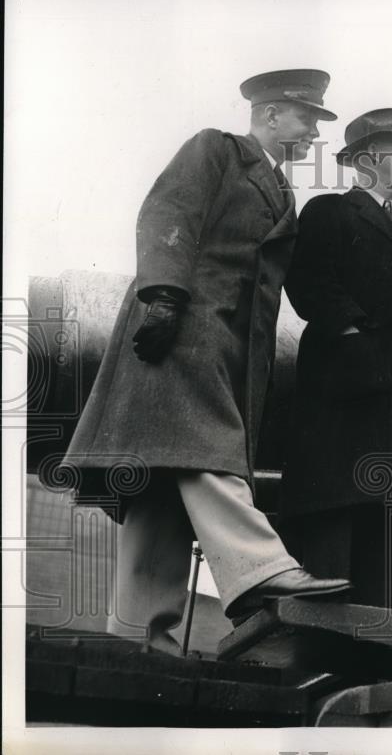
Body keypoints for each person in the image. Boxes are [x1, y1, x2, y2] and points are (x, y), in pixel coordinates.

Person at [64, 69, 350, 654]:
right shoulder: (216, 150)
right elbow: (169, 213)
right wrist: (163, 295)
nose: (312, 136)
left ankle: (138, 636)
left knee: (163, 486)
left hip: (226, 345)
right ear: (270, 114)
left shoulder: (280, 189)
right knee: (207, 450)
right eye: (306, 120)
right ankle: (260, 568)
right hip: (182, 330)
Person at [281, 108, 392, 606]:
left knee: (386, 526)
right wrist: (353, 333)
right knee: (335, 517)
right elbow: (309, 282)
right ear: (370, 157)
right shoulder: (328, 212)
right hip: (343, 398)